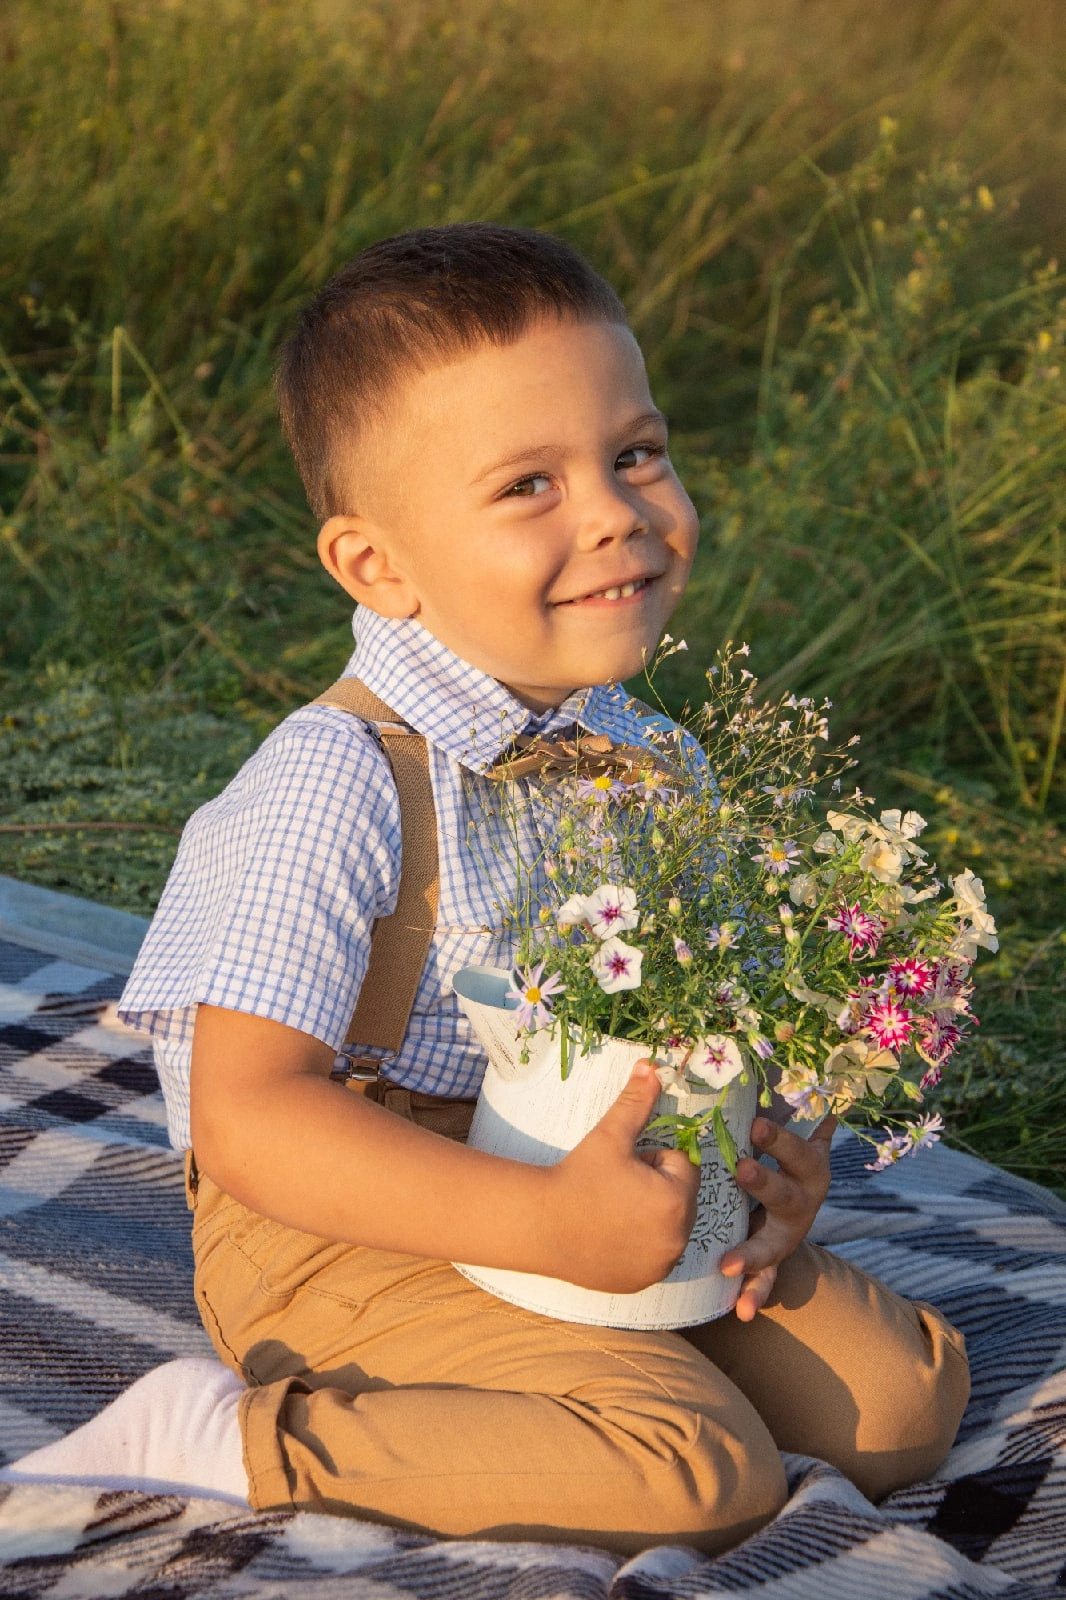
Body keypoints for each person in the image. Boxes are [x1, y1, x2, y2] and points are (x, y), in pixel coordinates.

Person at [2, 225, 970, 1554]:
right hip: (349, 1219)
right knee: (696, 1466)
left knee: (900, 1401)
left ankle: (592, 1351)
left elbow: (686, 1023)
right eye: (529, 485)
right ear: (378, 567)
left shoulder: (653, 756)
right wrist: (539, 1224)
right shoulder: (336, 781)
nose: (617, 512)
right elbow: (248, 1120)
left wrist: (767, 1174)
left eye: (636, 454)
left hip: (590, 1174)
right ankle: (227, 1437)